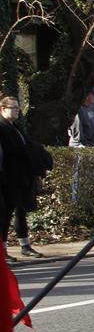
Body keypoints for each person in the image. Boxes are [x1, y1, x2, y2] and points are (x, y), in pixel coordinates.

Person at [0, 97, 47, 259]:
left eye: (17, 108)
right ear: (2, 109)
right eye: (12, 108)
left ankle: (25, 245)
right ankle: (3, 250)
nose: (16, 111)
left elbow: (27, 146)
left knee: (21, 211)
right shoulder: (2, 128)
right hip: (8, 178)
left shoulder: (16, 128)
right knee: (6, 214)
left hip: (21, 177)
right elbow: (10, 153)